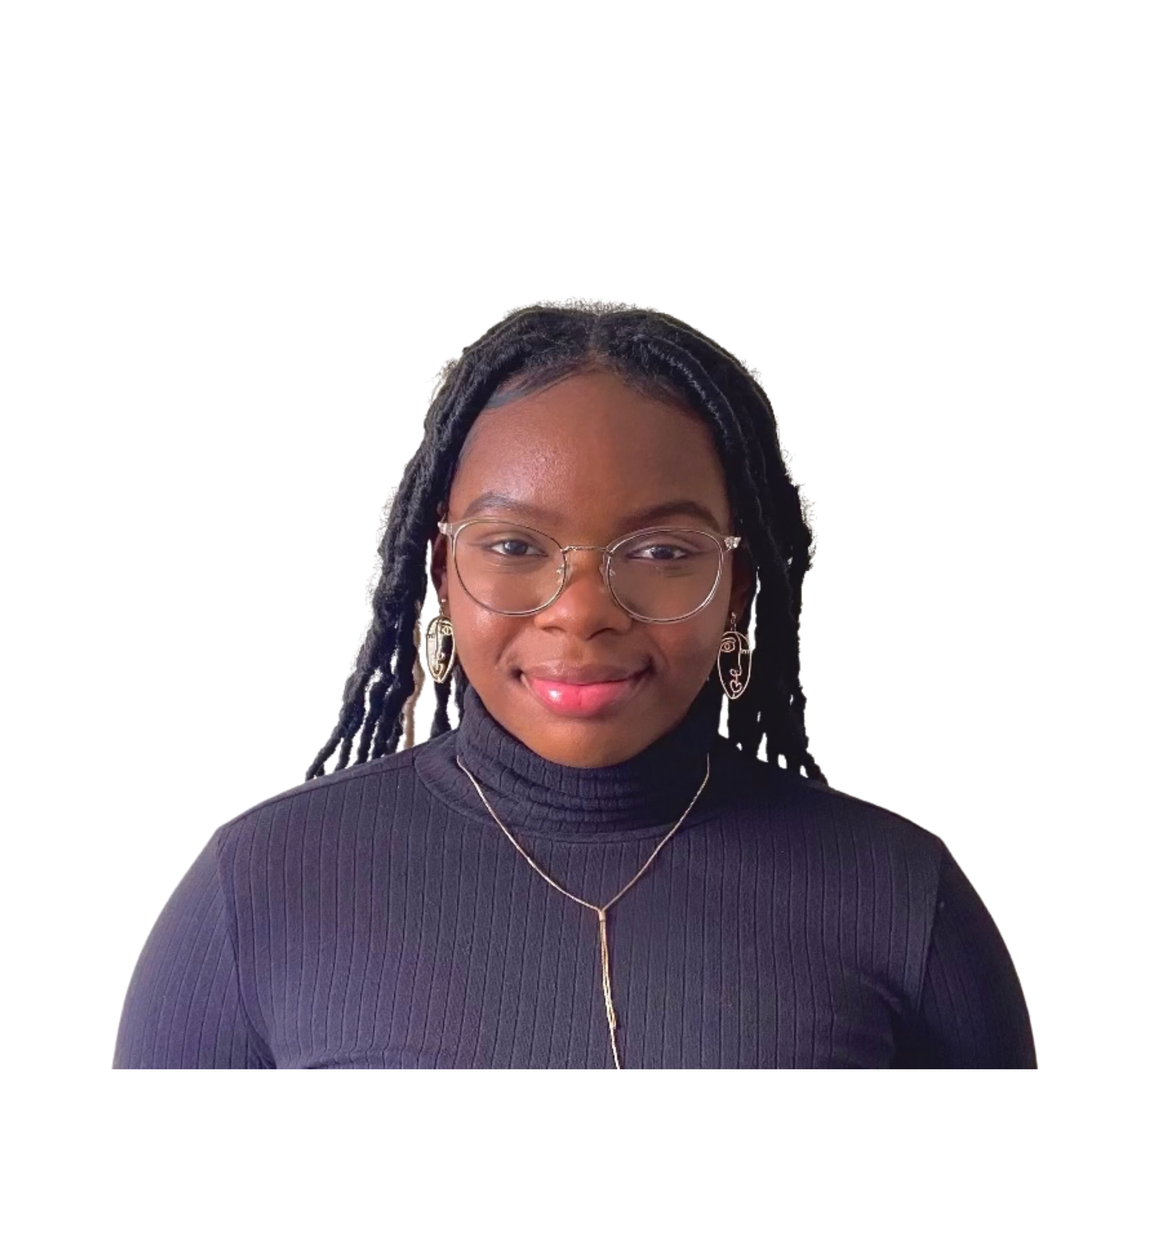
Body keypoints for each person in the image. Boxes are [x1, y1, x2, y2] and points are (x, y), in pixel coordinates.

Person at [112, 304, 1034, 1068]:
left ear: (737, 586)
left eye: (663, 551)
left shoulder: (905, 901)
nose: (583, 610)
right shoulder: (262, 889)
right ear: (442, 570)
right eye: (514, 547)